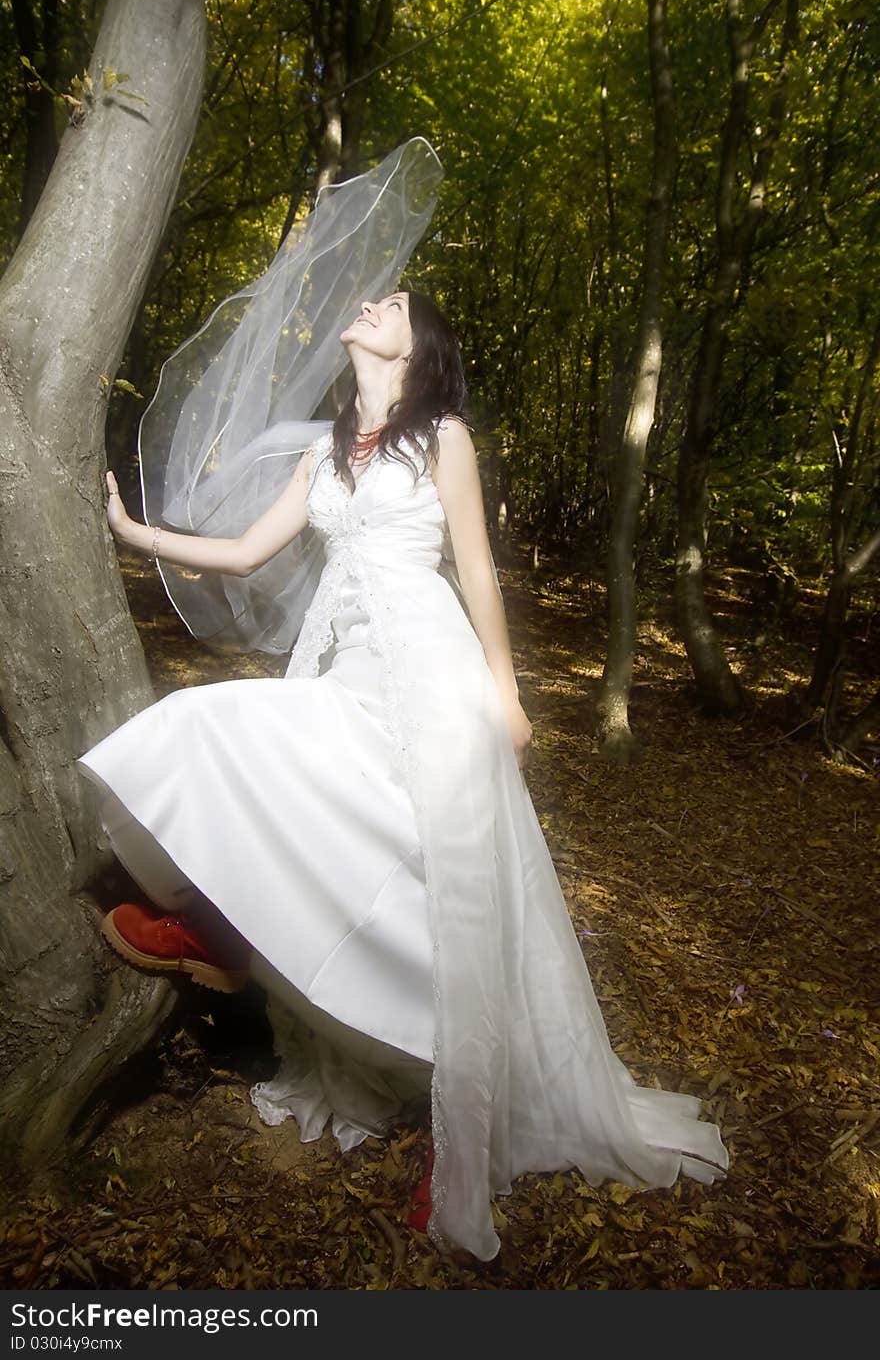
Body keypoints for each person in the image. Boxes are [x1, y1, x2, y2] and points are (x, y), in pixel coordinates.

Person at [79, 287, 728, 1262]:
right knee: (223, 727)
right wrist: (137, 536)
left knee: (451, 889)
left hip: (434, 675)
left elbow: (476, 570)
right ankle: (212, 920)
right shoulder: (327, 449)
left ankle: (466, 1128)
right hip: (350, 668)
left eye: (394, 303)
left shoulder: (445, 440)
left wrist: (509, 694)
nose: (372, 303)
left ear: (422, 348)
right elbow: (249, 551)